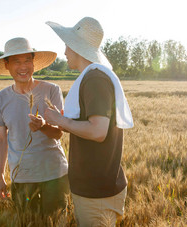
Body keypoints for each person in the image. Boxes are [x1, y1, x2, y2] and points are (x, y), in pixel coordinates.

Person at [44, 17, 134, 226]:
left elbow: (97, 132)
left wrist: (60, 120)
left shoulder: (95, 79)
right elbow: (93, 127)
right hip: (97, 189)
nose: (65, 52)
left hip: (97, 192)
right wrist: (64, 122)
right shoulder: (94, 77)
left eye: (67, 45)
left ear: (76, 47)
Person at [0, 37, 69, 215]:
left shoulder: (52, 90)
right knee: (25, 221)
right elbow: (0, 139)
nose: (23, 67)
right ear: (6, 65)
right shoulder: (1, 98)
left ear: (34, 62)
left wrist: (43, 126)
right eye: (17, 61)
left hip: (54, 174)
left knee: (55, 221)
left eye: (27, 60)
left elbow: (59, 134)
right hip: (21, 176)